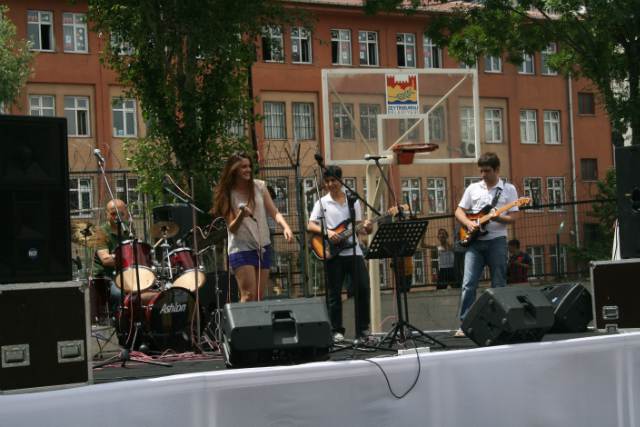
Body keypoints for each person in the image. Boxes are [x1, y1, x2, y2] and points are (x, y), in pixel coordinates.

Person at [212, 151, 293, 302]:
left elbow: (274, 212)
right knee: (249, 295)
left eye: (249, 166)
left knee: (259, 296)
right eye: (244, 166)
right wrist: (241, 216)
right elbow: (232, 228)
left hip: (263, 246)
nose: (248, 169)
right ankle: (243, 326)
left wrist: (286, 227)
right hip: (241, 247)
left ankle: (258, 325)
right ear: (234, 169)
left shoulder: (260, 186)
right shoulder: (226, 195)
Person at [454, 152, 519, 337]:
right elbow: (459, 211)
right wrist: (468, 223)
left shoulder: (509, 190)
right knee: (468, 283)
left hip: (497, 242)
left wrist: (500, 217)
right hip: (474, 243)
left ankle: (501, 323)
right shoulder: (473, 188)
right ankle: (466, 324)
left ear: (497, 169)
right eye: (481, 171)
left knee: (499, 284)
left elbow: (513, 218)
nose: (483, 174)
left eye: (487, 171)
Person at [307, 165, 373, 343]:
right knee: (334, 294)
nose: (329, 184)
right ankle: (336, 330)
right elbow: (310, 225)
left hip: (354, 251)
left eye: (333, 180)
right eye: (327, 181)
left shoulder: (353, 201)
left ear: (341, 180)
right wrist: (328, 233)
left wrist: (368, 228)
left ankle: (363, 330)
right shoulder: (322, 203)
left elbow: (358, 225)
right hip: (332, 253)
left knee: (363, 289)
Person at [93, 199, 130, 316]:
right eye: (113, 213)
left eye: (120, 213)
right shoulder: (100, 233)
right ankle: (120, 328)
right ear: (107, 214)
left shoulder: (128, 231)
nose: (116, 217)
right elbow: (106, 260)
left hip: (125, 274)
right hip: (106, 277)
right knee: (119, 293)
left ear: (126, 214)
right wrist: (129, 260)